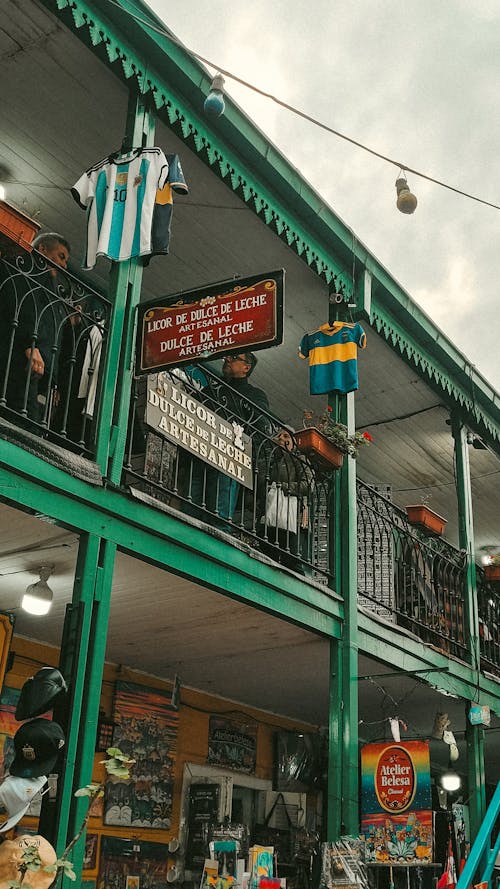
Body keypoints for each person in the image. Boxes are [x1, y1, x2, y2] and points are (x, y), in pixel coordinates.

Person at [186, 352, 269, 525]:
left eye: (234, 357)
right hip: (199, 452)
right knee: (189, 512)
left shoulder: (254, 394)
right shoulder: (211, 390)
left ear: (246, 367)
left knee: (219, 516)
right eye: (228, 356)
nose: (227, 359)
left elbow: (260, 427)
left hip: (229, 461)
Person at [0, 232, 71, 422]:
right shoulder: (23, 270)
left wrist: (52, 382)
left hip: (34, 369)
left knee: (27, 423)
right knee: (20, 422)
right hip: (16, 359)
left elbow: (52, 334)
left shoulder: (51, 291)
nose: (64, 265)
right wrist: (30, 344)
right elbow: (21, 307)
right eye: (61, 256)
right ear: (42, 249)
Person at [258, 427, 313, 573]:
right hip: (272, 510)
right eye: (279, 437)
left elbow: (308, 484)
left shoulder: (299, 459)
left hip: (290, 513)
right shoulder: (273, 461)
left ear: (294, 441)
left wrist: (286, 487)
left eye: (286, 436)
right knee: (269, 552)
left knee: (291, 558)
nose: (282, 439)